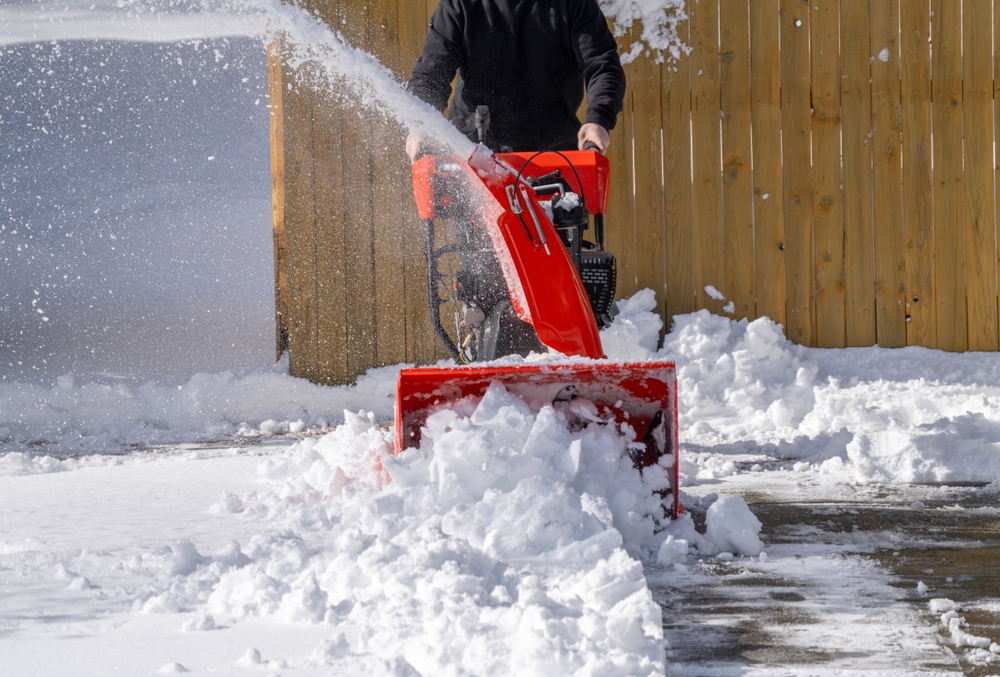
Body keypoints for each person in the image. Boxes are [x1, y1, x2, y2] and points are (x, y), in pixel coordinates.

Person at [405, 0, 626, 160]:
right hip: (475, 155)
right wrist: (421, 124)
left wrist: (598, 120)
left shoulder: (573, 4)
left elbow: (602, 66)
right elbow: (430, 73)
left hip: (553, 156)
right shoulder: (460, 5)